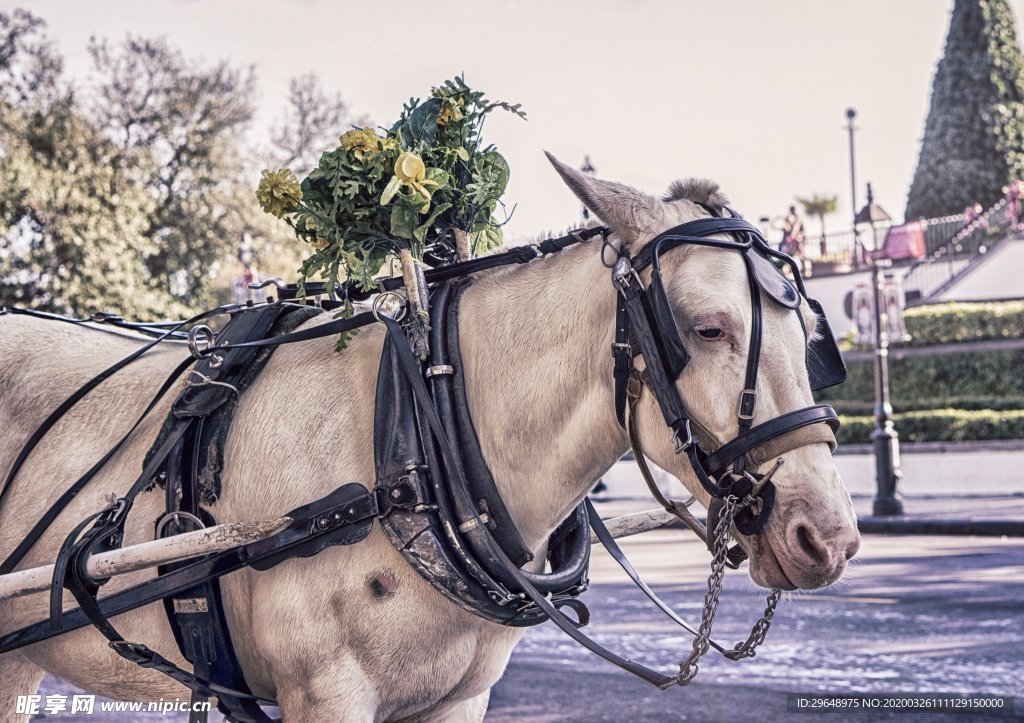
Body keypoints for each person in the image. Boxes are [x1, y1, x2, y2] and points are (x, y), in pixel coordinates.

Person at [781, 205, 811, 275]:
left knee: (799, 255)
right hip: (794, 240)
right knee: (797, 255)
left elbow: (791, 230)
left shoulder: (796, 219)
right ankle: (805, 271)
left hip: (795, 240)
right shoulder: (793, 218)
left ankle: (806, 270)